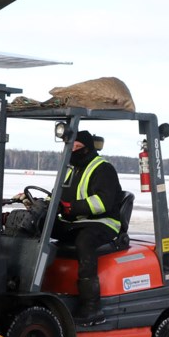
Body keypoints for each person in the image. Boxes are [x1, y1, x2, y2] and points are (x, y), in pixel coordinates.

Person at [51, 129, 122, 326]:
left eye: (76, 147)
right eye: (70, 147)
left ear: (86, 149)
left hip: (103, 223)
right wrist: (42, 205)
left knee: (85, 241)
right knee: (37, 229)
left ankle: (91, 307)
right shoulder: (70, 169)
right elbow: (58, 195)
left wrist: (71, 207)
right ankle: (47, 288)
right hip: (77, 221)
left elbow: (103, 202)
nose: (72, 151)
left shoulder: (102, 168)